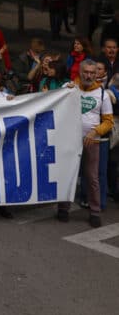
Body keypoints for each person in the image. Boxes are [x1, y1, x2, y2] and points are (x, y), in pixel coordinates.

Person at [57, 60, 114, 227]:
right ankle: (63, 208)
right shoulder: (68, 88)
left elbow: (108, 121)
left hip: (92, 141)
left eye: (92, 72)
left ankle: (94, 212)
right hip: (69, 140)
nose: (88, 75)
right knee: (68, 174)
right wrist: (63, 93)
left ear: (96, 74)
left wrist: (95, 132)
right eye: (85, 72)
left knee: (92, 178)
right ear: (79, 72)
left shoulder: (102, 94)